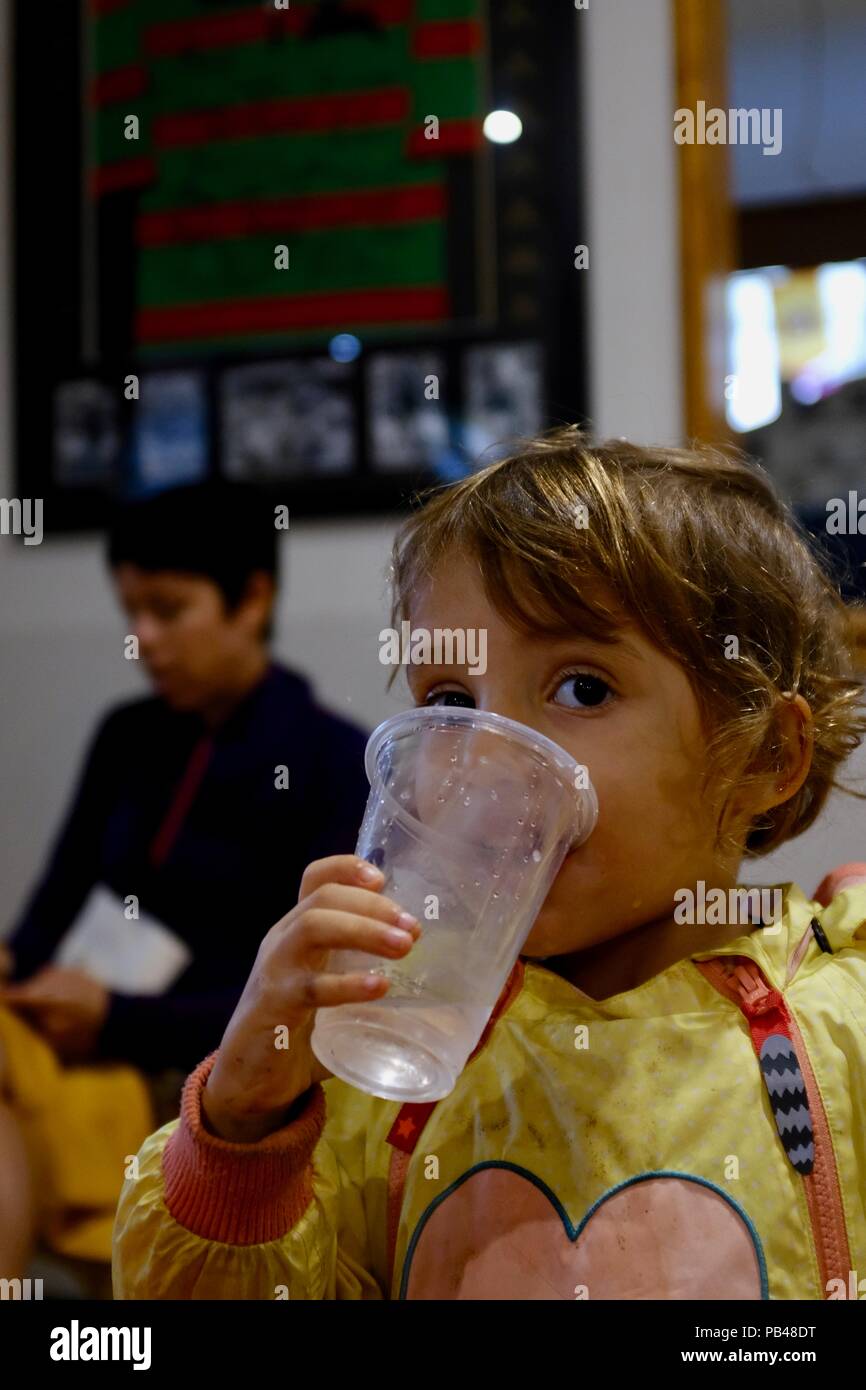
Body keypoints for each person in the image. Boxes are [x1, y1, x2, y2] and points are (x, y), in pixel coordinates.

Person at [113, 429, 866, 1300]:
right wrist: (244, 1129)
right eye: (451, 702)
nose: (487, 758)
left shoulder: (839, 1029)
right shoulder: (393, 1053)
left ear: (765, 755)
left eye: (582, 686)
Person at [0, 480, 370, 1277]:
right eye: (129, 613)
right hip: (79, 1041)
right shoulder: (126, 737)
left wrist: (116, 1019)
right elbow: (46, 920)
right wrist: (15, 965)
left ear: (252, 599)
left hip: (208, 1072)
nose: (143, 640)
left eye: (167, 611)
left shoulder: (332, 761)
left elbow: (299, 1004)